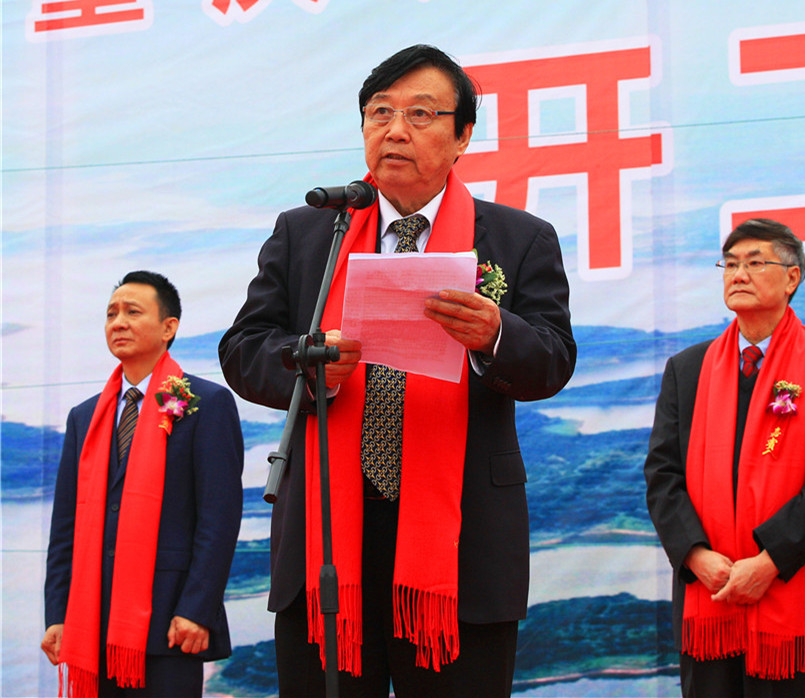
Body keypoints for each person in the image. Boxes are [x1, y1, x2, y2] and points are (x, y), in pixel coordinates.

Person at [218, 44, 575, 698]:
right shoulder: (309, 232)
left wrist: (494, 336)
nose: (395, 130)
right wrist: (311, 363)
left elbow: (552, 361)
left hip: (461, 539)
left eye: (421, 113)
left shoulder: (517, 239)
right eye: (379, 113)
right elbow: (243, 348)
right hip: (328, 533)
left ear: (463, 136)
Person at [644, 218, 805, 697]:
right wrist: (697, 556)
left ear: (792, 278)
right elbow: (663, 476)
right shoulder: (687, 369)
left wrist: (768, 562)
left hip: (797, 586)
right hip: (710, 590)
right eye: (730, 265)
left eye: (754, 262)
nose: (738, 274)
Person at [41, 271, 244, 697]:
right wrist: (58, 614)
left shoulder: (204, 403)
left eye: (133, 312)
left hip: (171, 621)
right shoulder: (85, 416)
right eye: (111, 314)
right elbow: (64, 528)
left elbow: (219, 520)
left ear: (169, 327)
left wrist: (197, 609)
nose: (118, 322)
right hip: (91, 621)